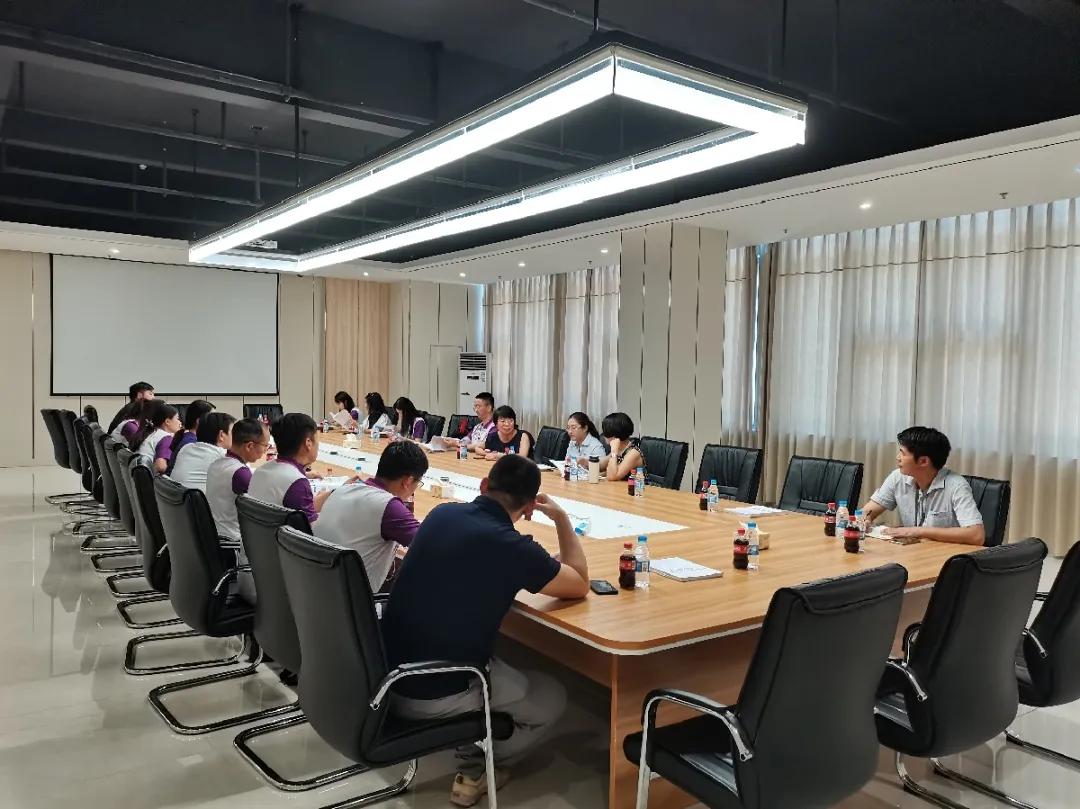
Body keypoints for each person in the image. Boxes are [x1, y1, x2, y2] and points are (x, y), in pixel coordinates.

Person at [383, 454, 589, 806]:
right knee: (554, 696)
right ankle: (478, 763)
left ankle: (470, 732)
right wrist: (562, 519)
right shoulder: (513, 548)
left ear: (482, 485)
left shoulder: (441, 514)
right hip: (436, 692)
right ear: (529, 508)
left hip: (386, 678)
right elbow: (580, 582)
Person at [313, 441, 426, 591]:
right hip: (349, 598)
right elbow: (430, 546)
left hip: (314, 588)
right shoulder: (390, 507)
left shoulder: (344, 489)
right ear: (408, 481)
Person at [862, 426, 985, 545]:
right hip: (914, 552)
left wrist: (916, 531)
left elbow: (976, 535)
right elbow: (867, 511)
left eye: (903, 453)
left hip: (946, 555)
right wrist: (864, 519)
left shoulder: (957, 486)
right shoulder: (897, 477)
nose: (897, 458)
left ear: (923, 461)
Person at [205, 418, 268, 603]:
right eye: (265, 446)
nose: (266, 451)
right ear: (249, 446)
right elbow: (266, 507)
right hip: (232, 547)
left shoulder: (218, 463)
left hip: (217, 538)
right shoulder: (239, 473)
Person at [247, 413, 330, 525]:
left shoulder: (261, 470)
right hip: (283, 536)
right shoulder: (296, 482)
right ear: (308, 443)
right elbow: (312, 530)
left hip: (259, 535)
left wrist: (331, 495)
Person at [170, 411, 234, 493]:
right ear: (221, 435)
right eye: (233, 432)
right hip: (199, 500)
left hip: (176, 499)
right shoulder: (222, 457)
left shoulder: (186, 448)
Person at [128, 400, 181, 474]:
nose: (180, 422)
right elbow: (161, 466)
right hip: (152, 478)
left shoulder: (150, 433)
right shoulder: (166, 438)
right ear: (167, 422)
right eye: (177, 419)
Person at [165, 399, 215, 474]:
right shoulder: (191, 443)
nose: (215, 421)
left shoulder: (186, 436)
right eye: (211, 418)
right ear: (199, 421)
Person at [600, 412, 646, 481]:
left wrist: (613, 452)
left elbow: (612, 477)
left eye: (605, 432)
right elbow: (601, 465)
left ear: (614, 436)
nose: (603, 435)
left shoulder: (633, 453)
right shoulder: (620, 449)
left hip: (636, 487)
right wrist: (587, 462)